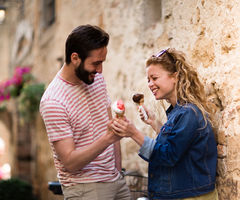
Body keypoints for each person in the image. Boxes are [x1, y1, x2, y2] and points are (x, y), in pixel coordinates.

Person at [111, 48, 218, 199]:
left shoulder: (188, 113)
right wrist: (155, 123)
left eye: (154, 78)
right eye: (148, 79)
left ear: (175, 76)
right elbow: (178, 146)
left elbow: (168, 155)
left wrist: (133, 133)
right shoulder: (177, 112)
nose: (150, 84)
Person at [39, 25, 131, 200]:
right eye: (96, 63)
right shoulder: (53, 101)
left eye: (102, 62)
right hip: (85, 189)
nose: (100, 70)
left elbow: (110, 125)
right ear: (75, 58)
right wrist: (108, 138)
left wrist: (118, 171)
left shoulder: (96, 80)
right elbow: (70, 162)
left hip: (116, 181)